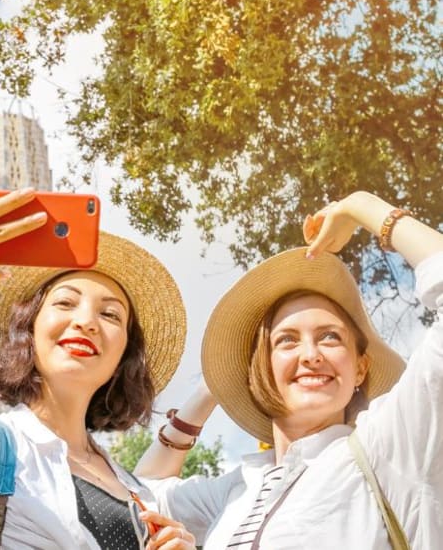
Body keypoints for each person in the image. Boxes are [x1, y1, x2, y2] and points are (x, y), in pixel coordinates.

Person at [0, 177, 203, 549]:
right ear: (29, 330)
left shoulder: (138, 493)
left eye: (111, 315)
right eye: (65, 303)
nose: (86, 321)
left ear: (124, 356)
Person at [137, 191, 443, 548]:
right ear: (260, 370)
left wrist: (361, 207)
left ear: (360, 368)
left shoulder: (390, 447)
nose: (311, 355)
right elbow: (142, 492)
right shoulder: (239, 486)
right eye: (286, 341)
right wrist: (213, 388)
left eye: (330, 338)